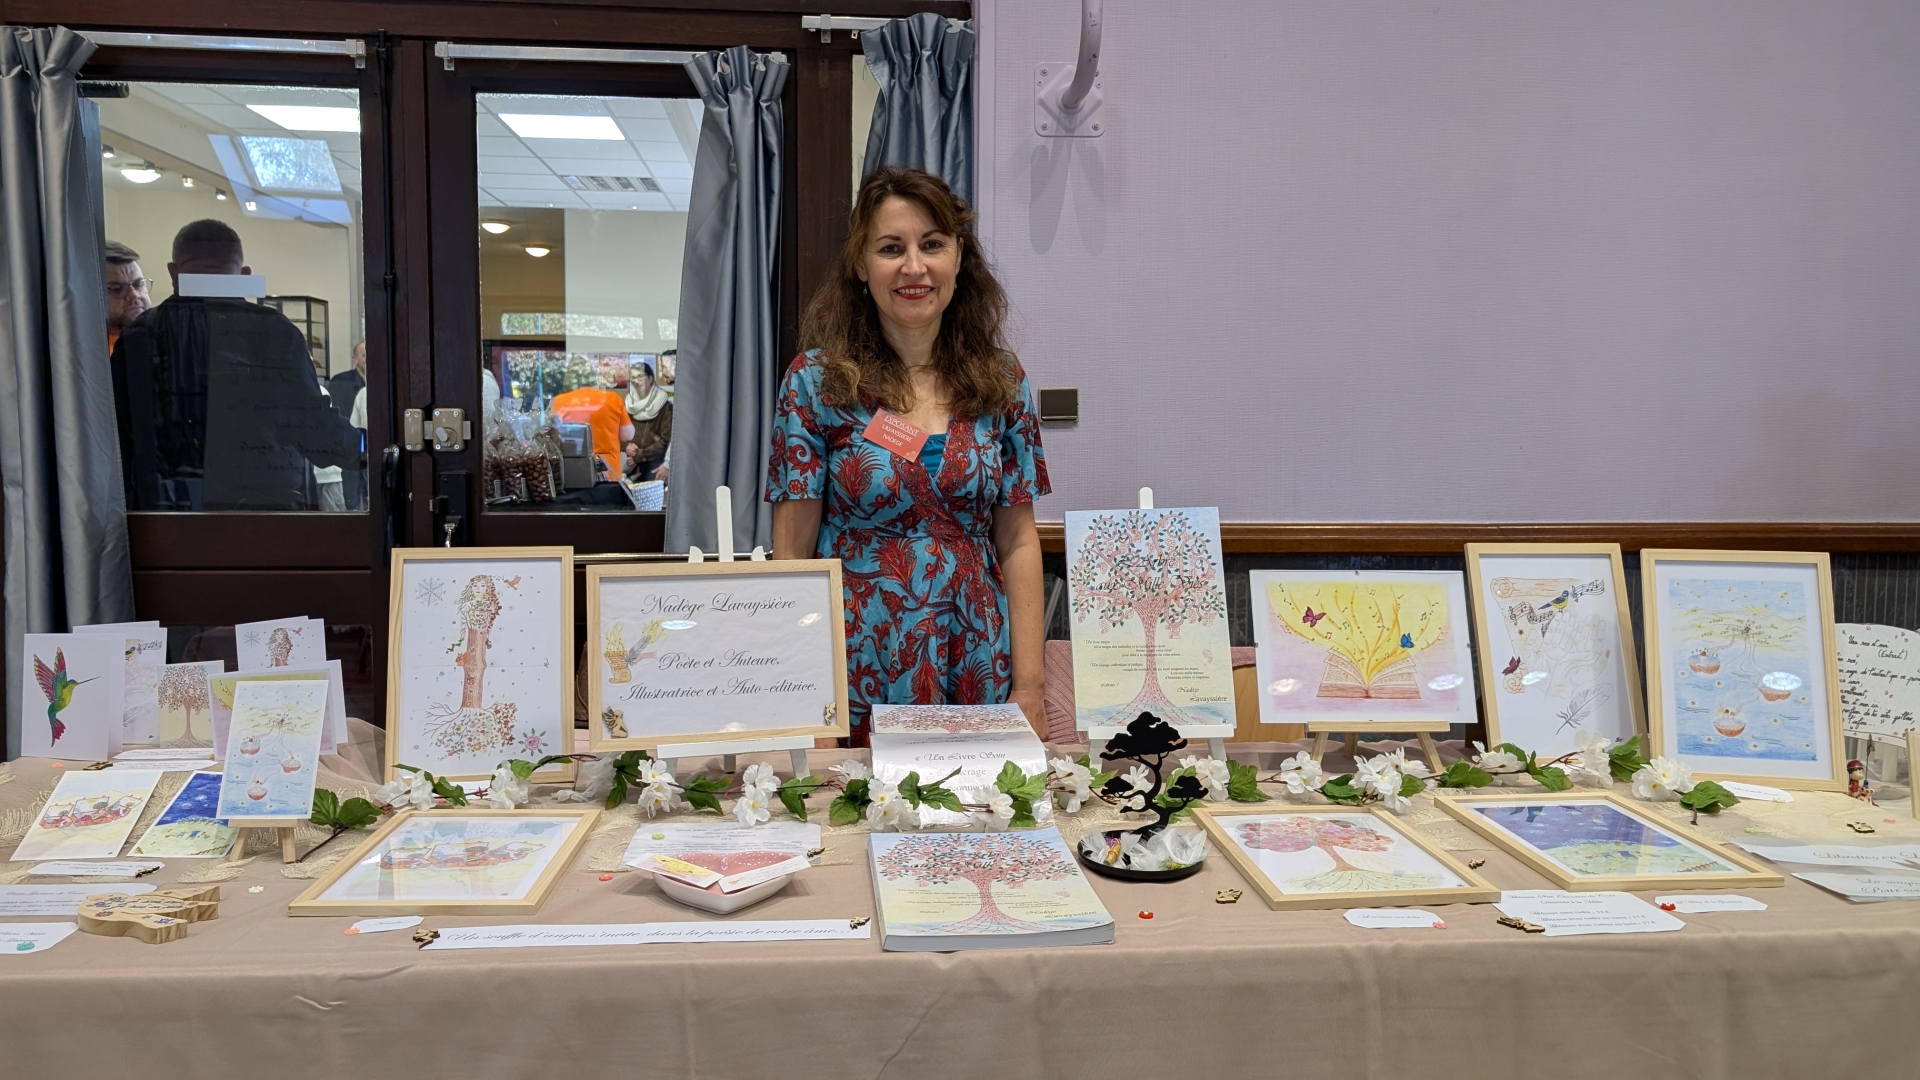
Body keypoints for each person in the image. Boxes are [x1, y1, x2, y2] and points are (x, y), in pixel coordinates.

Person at [767, 167, 1049, 744]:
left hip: (976, 655)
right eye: (891, 248)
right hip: (856, 659)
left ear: (959, 257)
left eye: (933, 244)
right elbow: (792, 554)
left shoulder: (1002, 380)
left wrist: (1031, 687)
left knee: (975, 800)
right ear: (860, 264)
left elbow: (1019, 541)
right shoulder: (815, 383)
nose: (914, 267)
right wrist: (802, 693)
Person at [111, 219, 362, 510]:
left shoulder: (140, 337)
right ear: (244, 274)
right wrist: (373, 447)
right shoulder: (274, 332)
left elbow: (117, 440)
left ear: (173, 271)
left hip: (165, 514)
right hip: (267, 513)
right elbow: (315, 431)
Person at [551, 371, 632, 479]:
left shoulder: (557, 401)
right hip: (608, 471)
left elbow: (551, 436)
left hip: (571, 471)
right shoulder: (612, 398)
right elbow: (628, 435)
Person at [623, 357, 671, 482]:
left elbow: (667, 441)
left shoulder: (666, 407)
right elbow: (617, 435)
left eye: (640, 376)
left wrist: (639, 455)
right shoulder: (628, 405)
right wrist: (626, 446)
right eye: (633, 377)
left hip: (655, 466)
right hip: (629, 465)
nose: (636, 381)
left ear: (650, 378)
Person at [104, 241, 151, 355]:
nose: (134, 295)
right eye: (117, 289)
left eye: (138, 285)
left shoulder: (166, 338)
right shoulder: (89, 351)